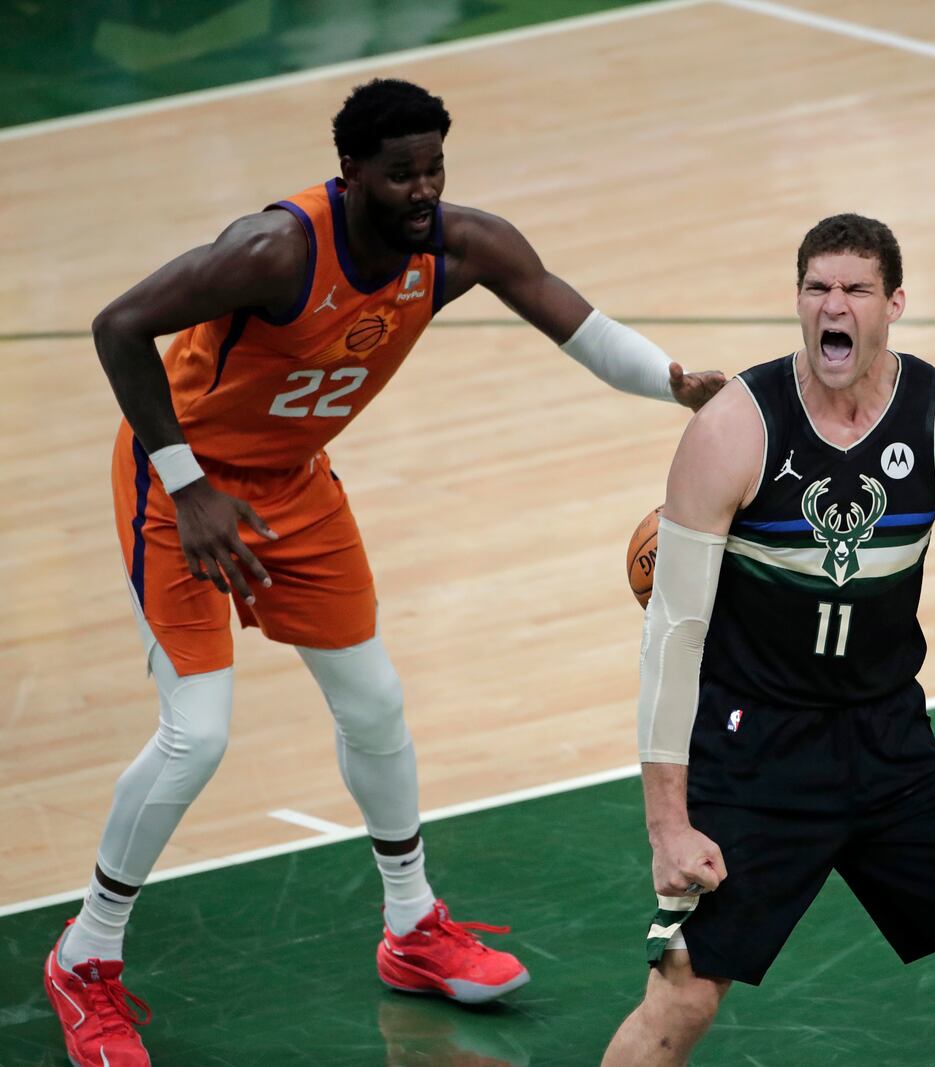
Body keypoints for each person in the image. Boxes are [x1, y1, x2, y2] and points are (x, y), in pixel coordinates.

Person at [45, 78, 725, 1067]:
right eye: (400, 172)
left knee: (373, 701)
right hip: (182, 482)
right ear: (351, 171)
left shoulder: (461, 246)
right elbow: (119, 326)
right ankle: (85, 958)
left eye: (434, 168)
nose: (422, 189)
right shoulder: (274, 250)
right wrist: (187, 483)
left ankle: (411, 925)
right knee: (196, 734)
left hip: (292, 482)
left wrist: (673, 381)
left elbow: (579, 324)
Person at [601, 214, 935, 1067]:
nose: (832, 306)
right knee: (681, 1001)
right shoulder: (735, 429)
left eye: (853, 289)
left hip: (888, 740)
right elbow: (675, 631)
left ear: (893, 305)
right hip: (755, 745)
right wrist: (667, 821)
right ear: (799, 301)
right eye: (817, 288)